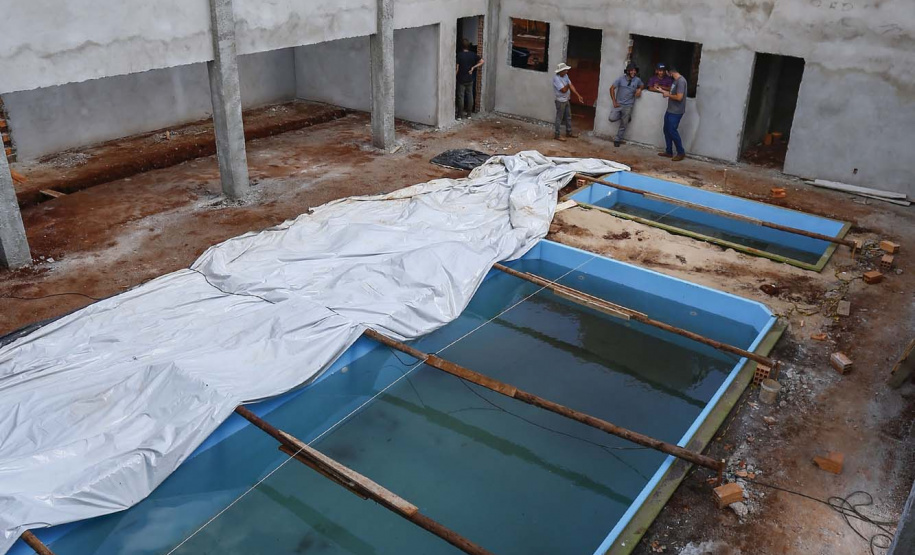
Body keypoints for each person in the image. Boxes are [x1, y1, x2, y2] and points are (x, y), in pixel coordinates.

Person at [654, 64, 687, 161]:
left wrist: (667, 95)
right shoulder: (675, 81)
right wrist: (661, 89)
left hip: (676, 111)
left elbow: (679, 97)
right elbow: (672, 91)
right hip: (670, 110)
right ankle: (669, 151)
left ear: (670, 72)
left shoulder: (681, 81)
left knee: (672, 131)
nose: (666, 74)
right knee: (666, 130)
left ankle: (681, 152)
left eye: (666, 72)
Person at [608, 63, 644, 147]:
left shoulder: (637, 80)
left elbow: (642, 85)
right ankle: (627, 117)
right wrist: (614, 101)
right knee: (611, 118)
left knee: (623, 124)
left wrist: (639, 89)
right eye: (631, 70)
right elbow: (611, 88)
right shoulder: (621, 79)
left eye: (634, 71)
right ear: (627, 71)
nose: (633, 72)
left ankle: (617, 139)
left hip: (628, 106)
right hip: (619, 104)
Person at [552, 62, 584, 141]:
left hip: (566, 99)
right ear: (561, 71)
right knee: (559, 118)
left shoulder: (566, 76)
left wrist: (578, 95)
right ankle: (557, 135)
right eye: (565, 70)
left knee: (568, 117)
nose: (567, 71)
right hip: (560, 101)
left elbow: (571, 85)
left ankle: (568, 132)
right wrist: (568, 85)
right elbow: (563, 90)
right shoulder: (556, 79)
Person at [455, 39, 484, 119]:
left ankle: (459, 115)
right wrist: (473, 67)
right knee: (470, 96)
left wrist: (454, 77)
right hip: (470, 79)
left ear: (461, 46)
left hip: (461, 79)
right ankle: (469, 114)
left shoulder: (459, 55)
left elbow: (457, 68)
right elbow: (482, 61)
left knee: (461, 97)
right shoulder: (473, 54)